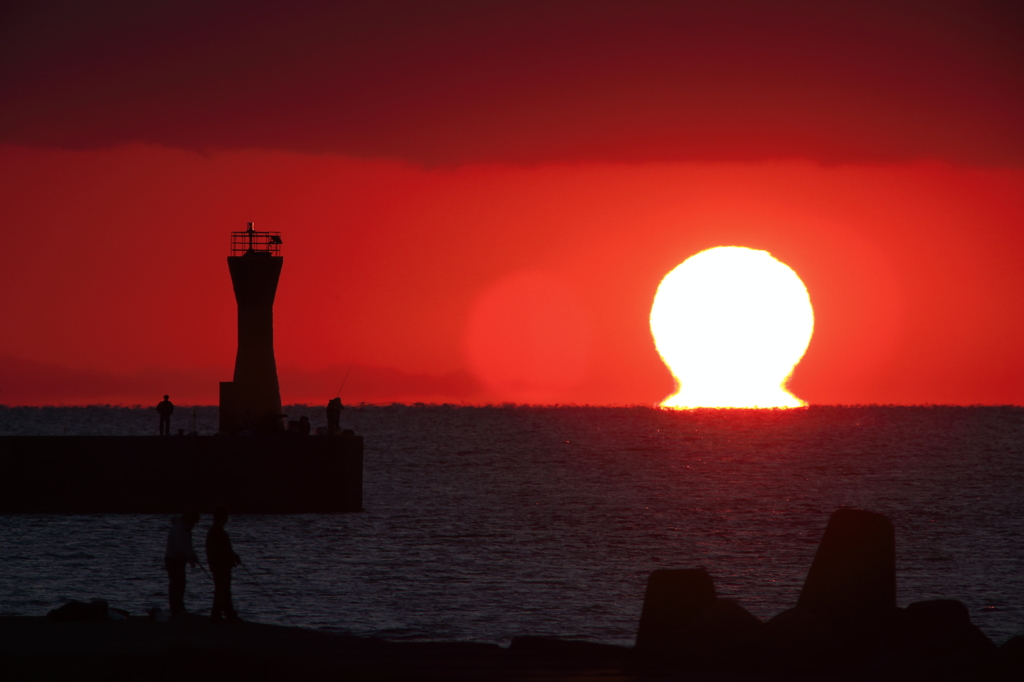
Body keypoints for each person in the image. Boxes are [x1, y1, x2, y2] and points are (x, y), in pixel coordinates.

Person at [206, 505, 242, 622]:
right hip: (220, 567)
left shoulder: (217, 531)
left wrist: (233, 556)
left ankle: (225, 614)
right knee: (222, 590)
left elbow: (225, 550)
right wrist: (230, 558)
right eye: (225, 516)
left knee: (223, 590)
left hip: (220, 566)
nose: (226, 518)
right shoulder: (216, 532)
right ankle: (220, 615)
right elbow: (219, 551)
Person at [164, 510, 200, 616]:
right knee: (176, 585)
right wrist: (189, 557)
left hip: (179, 560)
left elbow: (188, 545)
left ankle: (179, 608)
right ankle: (176, 609)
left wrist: (193, 556)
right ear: (188, 520)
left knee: (180, 585)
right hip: (173, 560)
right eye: (193, 522)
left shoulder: (186, 529)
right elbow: (179, 548)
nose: (194, 525)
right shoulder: (177, 529)